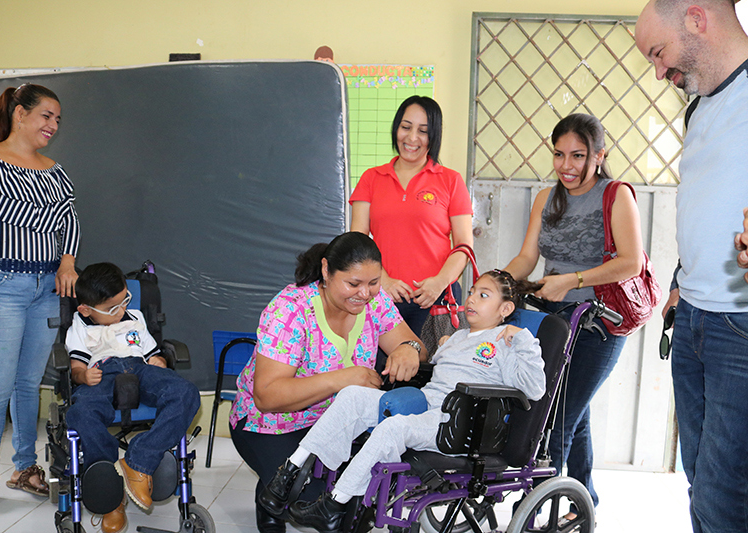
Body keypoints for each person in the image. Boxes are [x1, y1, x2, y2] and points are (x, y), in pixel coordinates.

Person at [258, 270, 545, 533]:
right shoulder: (457, 338)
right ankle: (288, 474)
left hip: (460, 424)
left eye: (483, 295)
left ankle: (334, 506)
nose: (470, 299)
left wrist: (522, 340)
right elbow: (432, 372)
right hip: (429, 407)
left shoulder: (508, 342)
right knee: (352, 396)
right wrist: (444, 347)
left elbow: (535, 388)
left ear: (505, 309)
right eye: (471, 292)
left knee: (393, 429)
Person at [635, 2, 748, 532]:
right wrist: (682, 280)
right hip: (696, 322)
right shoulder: (699, 108)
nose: (659, 72)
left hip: (739, 328)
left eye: (659, 53)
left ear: (697, 20)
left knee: (725, 499)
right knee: (701, 485)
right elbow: (709, 201)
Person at [228, 231, 425, 533]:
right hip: (267, 424)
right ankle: (270, 501)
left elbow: (415, 347)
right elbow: (267, 396)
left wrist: (408, 350)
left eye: (374, 283)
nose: (365, 293)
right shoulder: (291, 310)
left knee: (361, 505)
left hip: (333, 423)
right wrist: (341, 379)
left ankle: (273, 494)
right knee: (323, 506)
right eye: (354, 284)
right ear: (325, 271)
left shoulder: (375, 302)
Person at [0, 83, 80, 526]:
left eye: (58, 120)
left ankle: (25, 468)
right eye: (46, 115)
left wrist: (67, 262)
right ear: (19, 114)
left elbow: (72, 220)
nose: (53, 126)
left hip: (45, 287)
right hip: (0, 284)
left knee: (29, 386)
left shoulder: (54, 170)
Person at [503, 113, 644, 515]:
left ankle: (534, 512)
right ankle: (585, 503)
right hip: (554, 323)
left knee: (556, 422)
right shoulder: (546, 199)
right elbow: (528, 257)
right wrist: (496, 283)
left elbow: (631, 262)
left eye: (578, 155)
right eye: (559, 154)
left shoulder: (616, 195)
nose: (566, 165)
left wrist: (571, 279)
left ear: (599, 156)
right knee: (570, 411)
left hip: (601, 324)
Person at [64, 263, 200, 533]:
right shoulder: (79, 327)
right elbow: (76, 368)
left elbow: (151, 353)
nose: (122, 310)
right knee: (79, 414)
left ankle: (137, 462)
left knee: (185, 392)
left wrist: (158, 360)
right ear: (86, 309)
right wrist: (82, 377)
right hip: (101, 374)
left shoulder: (135, 317)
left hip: (139, 370)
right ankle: (111, 496)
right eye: (113, 308)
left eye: (124, 300)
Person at [350, 96, 473, 337]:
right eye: (406, 127)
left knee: (433, 371)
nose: (412, 138)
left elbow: (464, 246)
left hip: (436, 301)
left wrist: (439, 283)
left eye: (423, 131)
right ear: (396, 128)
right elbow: (357, 240)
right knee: (379, 371)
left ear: (433, 136)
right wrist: (382, 281)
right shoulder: (371, 178)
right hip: (380, 296)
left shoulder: (451, 180)